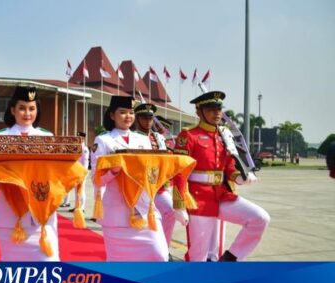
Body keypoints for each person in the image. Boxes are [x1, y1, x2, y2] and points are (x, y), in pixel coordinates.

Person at [173, 91, 270, 261]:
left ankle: (231, 258)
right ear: (199, 112)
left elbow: (229, 167)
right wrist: (179, 205)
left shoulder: (224, 136)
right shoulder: (188, 135)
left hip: (221, 195)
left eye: (219, 109)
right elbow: (179, 172)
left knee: (260, 218)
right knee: (199, 256)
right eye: (211, 109)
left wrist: (239, 177)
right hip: (198, 200)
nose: (217, 113)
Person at [90, 96, 169, 261]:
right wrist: (113, 171)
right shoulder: (103, 140)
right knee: (118, 263)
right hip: (117, 212)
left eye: (131, 113)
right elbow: (96, 179)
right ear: (112, 115)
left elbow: (150, 170)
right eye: (123, 112)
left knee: (160, 255)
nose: (128, 116)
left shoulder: (143, 139)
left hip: (144, 208)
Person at [0, 87, 61, 261]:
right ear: (13, 110)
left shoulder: (47, 137)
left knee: (49, 269)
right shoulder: (0, 137)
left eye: (32, 108)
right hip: (10, 217)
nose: (27, 113)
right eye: (22, 108)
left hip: (41, 218)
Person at [133, 103, 188, 250]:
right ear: (137, 119)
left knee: (170, 211)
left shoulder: (158, 138)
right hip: (138, 188)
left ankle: (164, 246)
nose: (148, 121)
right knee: (139, 221)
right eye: (144, 117)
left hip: (158, 187)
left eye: (150, 117)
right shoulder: (131, 137)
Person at [61, 131, 89, 213]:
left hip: (81, 171)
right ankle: (77, 206)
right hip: (75, 171)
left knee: (81, 189)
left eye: (79, 137)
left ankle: (82, 207)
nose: (78, 139)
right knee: (76, 190)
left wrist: (84, 172)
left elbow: (86, 161)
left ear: (83, 138)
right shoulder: (76, 147)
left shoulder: (84, 148)